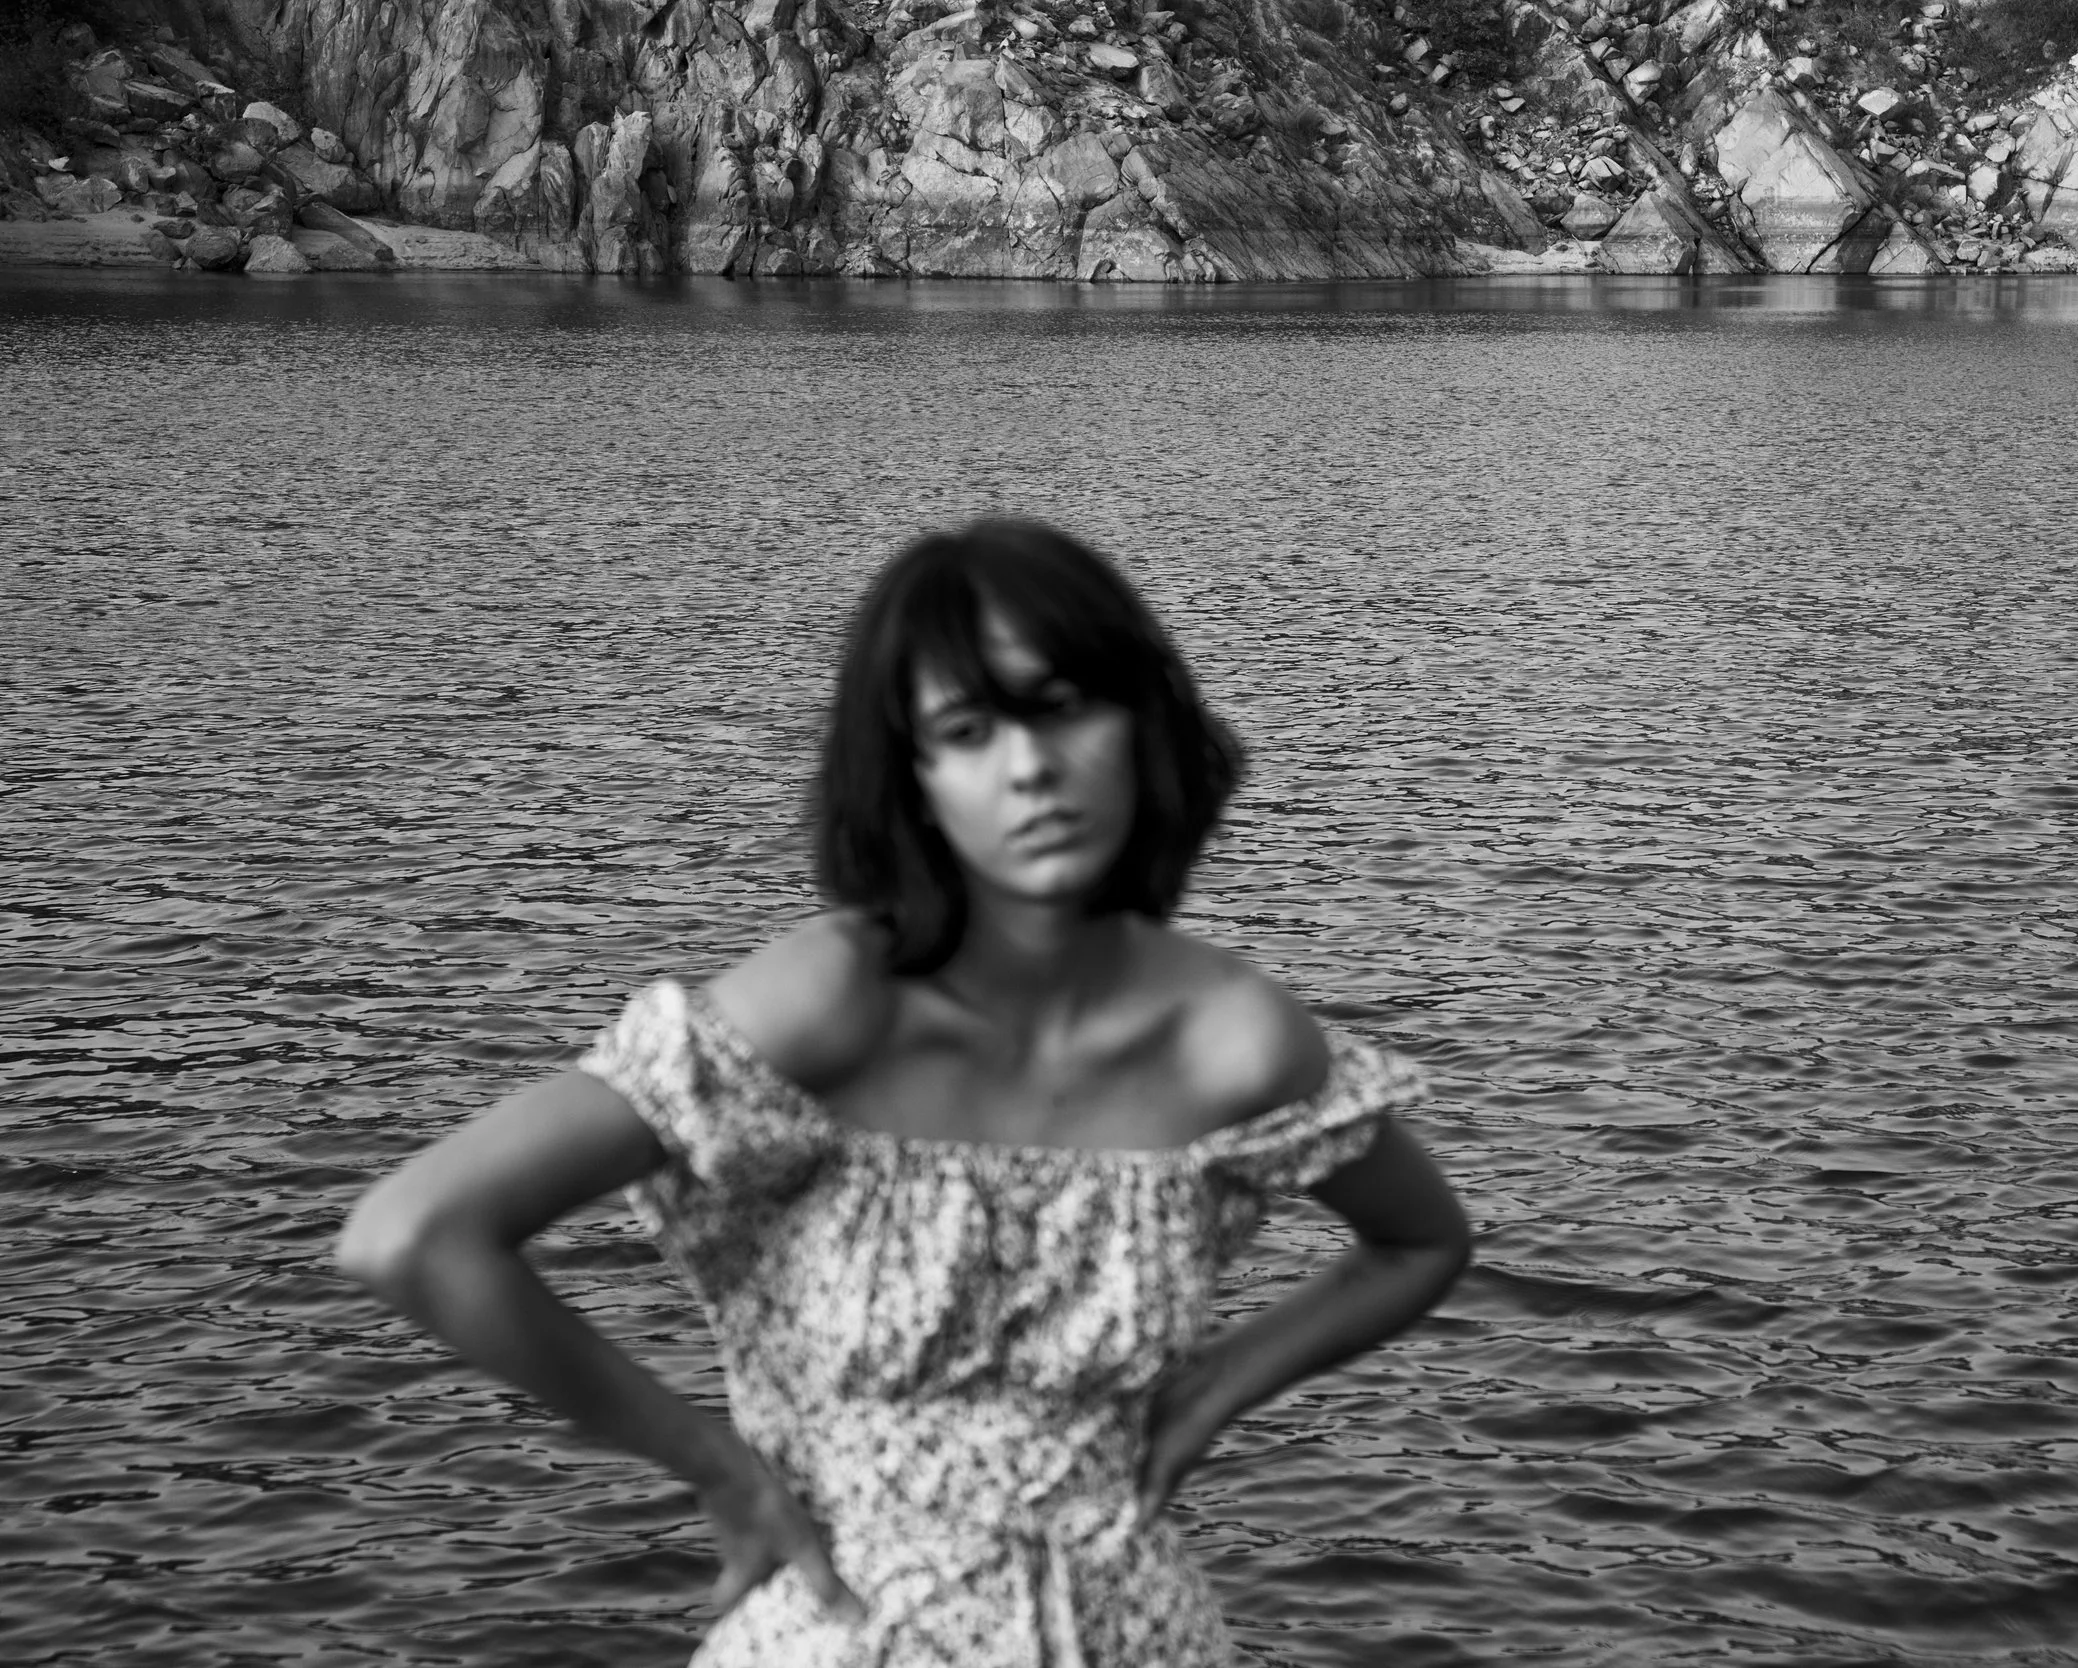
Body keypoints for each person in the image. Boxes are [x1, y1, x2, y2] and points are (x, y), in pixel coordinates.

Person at [335, 519, 1473, 1666]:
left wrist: (1218, 1386)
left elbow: (1418, 1242)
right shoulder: (834, 1001)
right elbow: (417, 1234)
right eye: (966, 732)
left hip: (1134, 1635)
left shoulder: (1227, 1040)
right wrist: (713, 1466)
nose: (1028, 767)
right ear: (914, 779)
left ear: (1142, 724)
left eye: (1063, 704)